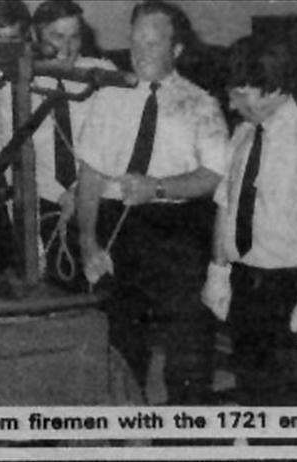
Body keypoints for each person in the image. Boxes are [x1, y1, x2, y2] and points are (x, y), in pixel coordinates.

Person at [75, 0, 228, 403]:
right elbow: (89, 174)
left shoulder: (200, 104)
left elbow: (213, 175)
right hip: (117, 227)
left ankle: (185, 434)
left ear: (176, 50)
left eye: (153, 44)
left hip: (175, 231)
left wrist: (157, 187)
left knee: (188, 345)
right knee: (121, 345)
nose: (141, 52)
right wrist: (88, 242)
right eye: (135, 42)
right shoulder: (107, 98)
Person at [202, 39, 297, 418]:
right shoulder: (244, 135)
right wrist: (218, 270)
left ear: (276, 86)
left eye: (241, 93)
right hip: (248, 285)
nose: (232, 104)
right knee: (254, 396)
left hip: (295, 287)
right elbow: (225, 205)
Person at [0, 0, 117, 290]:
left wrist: (81, 191)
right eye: (57, 37)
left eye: (74, 36)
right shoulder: (14, 88)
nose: (68, 47)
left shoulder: (103, 74)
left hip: (100, 199)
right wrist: (60, 199)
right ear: (36, 37)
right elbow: (12, 166)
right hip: (47, 208)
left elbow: (119, 148)